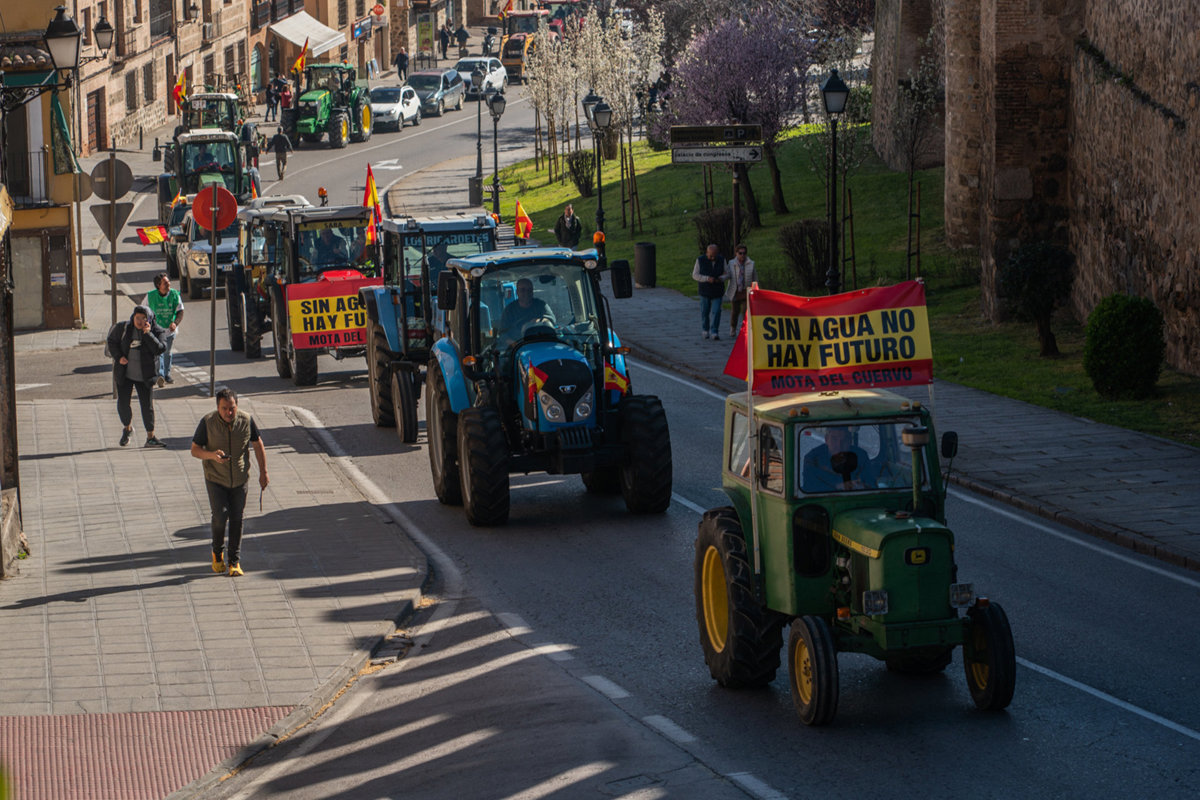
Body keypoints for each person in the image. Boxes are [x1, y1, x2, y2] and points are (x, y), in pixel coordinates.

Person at [191, 388, 269, 577]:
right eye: (224, 408)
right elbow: (194, 450)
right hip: (215, 478)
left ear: (237, 405)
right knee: (220, 516)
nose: (229, 412)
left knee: (237, 518)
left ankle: (234, 562)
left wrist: (263, 472)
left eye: (232, 408)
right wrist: (211, 456)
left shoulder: (246, 420)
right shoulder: (207, 422)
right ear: (217, 407)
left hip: (240, 479)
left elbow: (258, 444)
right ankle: (217, 553)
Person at [107, 305, 167, 448]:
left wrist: (148, 334)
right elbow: (111, 341)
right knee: (123, 404)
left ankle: (150, 437)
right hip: (125, 374)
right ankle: (127, 428)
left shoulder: (157, 331)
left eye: (143, 319)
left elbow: (160, 349)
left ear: (150, 320)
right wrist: (119, 357)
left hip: (145, 376)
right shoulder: (124, 328)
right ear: (133, 318)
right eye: (137, 318)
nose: (140, 322)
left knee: (147, 406)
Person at [801, 426, 875, 492]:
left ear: (850, 441)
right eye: (834, 439)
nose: (839, 445)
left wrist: (860, 485)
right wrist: (838, 486)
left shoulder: (861, 456)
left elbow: (871, 484)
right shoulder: (813, 458)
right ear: (827, 439)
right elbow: (809, 488)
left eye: (844, 440)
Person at [144, 273, 184, 387]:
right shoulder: (150, 296)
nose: (168, 284)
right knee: (159, 352)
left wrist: (175, 323)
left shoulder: (175, 295)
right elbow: (143, 310)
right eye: (165, 283)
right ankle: (160, 375)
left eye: (168, 282)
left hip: (169, 330)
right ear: (158, 285)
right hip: (156, 330)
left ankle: (167, 374)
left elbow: (181, 311)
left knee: (167, 352)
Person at [692, 243, 728, 340]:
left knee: (717, 311)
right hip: (705, 290)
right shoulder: (700, 260)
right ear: (707, 253)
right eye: (711, 255)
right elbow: (695, 275)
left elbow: (727, 273)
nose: (713, 257)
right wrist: (707, 278)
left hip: (718, 290)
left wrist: (722, 278)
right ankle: (705, 329)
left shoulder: (721, 259)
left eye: (715, 255)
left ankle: (714, 331)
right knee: (705, 311)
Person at [724, 243, 757, 337]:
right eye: (740, 253)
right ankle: (733, 328)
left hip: (746, 291)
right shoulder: (731, 263)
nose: (742, 255)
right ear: (736, 253)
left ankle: (745, 329)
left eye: (744, 253)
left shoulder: (751, 263)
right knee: (735, 311)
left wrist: (756, 289)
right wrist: (722, 277)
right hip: (735, 291)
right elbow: (727, 274)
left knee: (746, 311)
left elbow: (755, 277)